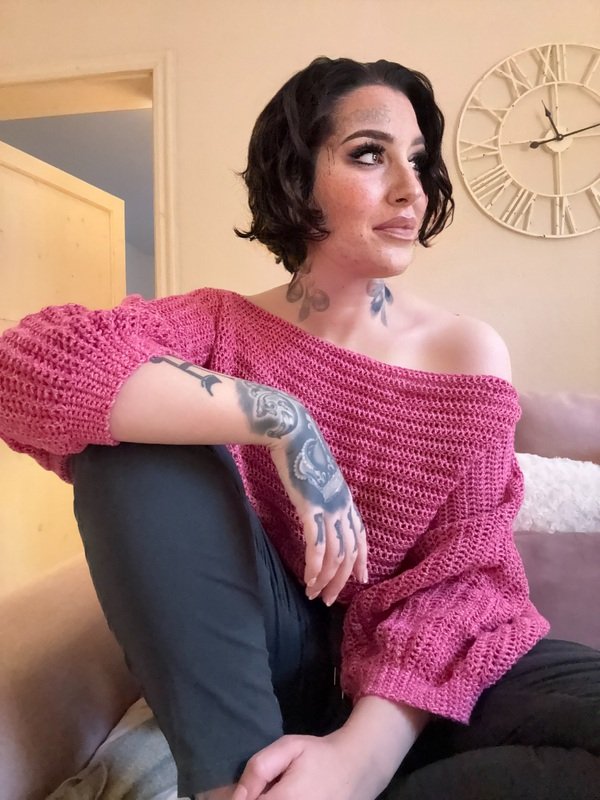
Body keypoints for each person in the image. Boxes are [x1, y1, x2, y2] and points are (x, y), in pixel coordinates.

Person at [0, 56, 599, 800]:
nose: (411, 189)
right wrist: (282, 420)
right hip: (272, 671)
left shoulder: (467, 353)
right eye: (370, 154)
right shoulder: (219, 324)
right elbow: (28, 364)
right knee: (128, 435)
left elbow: (464, 578)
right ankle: (236, 784)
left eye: (418, 161)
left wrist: (358, 760)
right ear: (296, 174)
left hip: (429, 683)